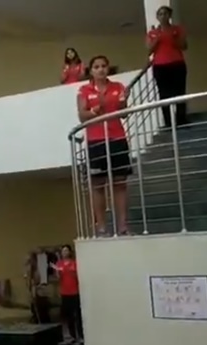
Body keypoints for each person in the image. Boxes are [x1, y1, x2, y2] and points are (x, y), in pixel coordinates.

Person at [77, 55, 132, 236]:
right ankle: (101, 227)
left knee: (120, 183)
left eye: (103, 66)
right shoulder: (84, 90)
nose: (101, 69)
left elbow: (123, 114)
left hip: (117, 138)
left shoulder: (118, 87)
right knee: (98, 184)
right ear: (91, 70)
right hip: (96, 140)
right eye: (96, 66)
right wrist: (95, 110)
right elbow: (82, 115)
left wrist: (123, 103)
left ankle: (123, 226)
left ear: (108, 68)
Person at [147, 6, 189, 128]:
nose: (163, 16)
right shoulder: (153, 33)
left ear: (169, 16)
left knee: (180, 92)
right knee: (163, 94)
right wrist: (158, 38)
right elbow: (149, 50)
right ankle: (168, 122)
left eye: (165, 13)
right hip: (160, 66)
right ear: (157, 17)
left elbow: (184, 46)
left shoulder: (177, 29)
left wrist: (173, 37)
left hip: (177, 64)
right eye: (160, 14)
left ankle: (181, 120)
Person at [51, 245, 83, 345]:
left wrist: (68, 270)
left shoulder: (74, 263)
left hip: (75, 292)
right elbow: (57, 279)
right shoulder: (59, 263)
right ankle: (72, 336)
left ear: (69, 252)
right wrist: (57, 271)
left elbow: (77, 276)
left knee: (77, 315)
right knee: (68, 316)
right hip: (65, 293)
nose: (64, 253)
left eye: (66, 251)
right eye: (63, 251)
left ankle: (80, 336)